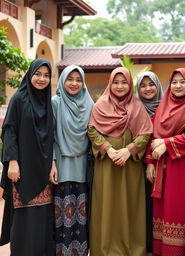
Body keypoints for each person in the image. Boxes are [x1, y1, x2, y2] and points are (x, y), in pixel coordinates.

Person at [88, 67, 153, 256]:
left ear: (130, 84)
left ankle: (132, 249)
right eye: (116, 82)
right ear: (110, 83)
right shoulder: (100, 105)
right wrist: (108, 149)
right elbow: (92, 130)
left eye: (124, 82)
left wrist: (128, 151)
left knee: (130, 205)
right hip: (106, 165)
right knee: (106, 204)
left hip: (129, 165)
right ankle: (104, 249)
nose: (119, 86)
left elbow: (146, 133)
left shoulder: (137, 106)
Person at [145, 68, 185, 256]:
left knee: (177, 209)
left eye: (182, 82)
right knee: (160, 211)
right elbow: (151, 133)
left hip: (181, 166)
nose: (178, 86)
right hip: (159, 166)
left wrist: (167, 143)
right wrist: (149, 162)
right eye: (174, 82)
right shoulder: (164, 104)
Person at [0, 58, 54, 255]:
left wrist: (53, 163)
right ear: (30, 75)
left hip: (43, 166)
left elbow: (51, 135)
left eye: (46, 75)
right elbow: (9, 131)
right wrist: (12, 161)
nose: (41, 79)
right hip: (22, 169)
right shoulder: (19, 98)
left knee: (42, 218)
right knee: (24, 218)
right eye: (38, 74)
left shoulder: (48, 101)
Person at [49, 65, 94, 255]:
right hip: (62, 165)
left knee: (82, 213)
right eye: (70, 79)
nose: (74, 83)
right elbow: (49, 136)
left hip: (83, 166)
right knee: (61, 214)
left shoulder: (90, 104)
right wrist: (52, 163)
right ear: (62, 80)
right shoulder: (55, 103)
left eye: (78, 79)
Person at [136, 71, 163, 255]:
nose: (147, 89)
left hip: (160, 162)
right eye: (143, 85)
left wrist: (151, 161)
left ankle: (156, 243)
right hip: (134, 163)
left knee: (157, 203)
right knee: (139, 202)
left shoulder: (167, 107)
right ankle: (142, 241)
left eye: (151, 84)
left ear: (158, 86)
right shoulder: (133, 107)